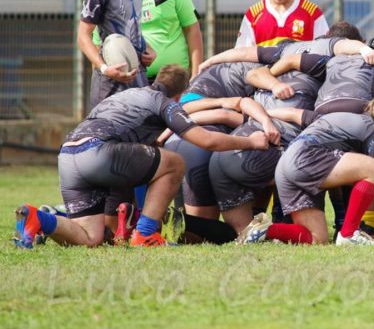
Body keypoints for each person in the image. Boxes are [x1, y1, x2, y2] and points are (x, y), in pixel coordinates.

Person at [13, 65, 270, 249]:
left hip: (68, 154)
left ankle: (39, 218)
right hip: (98, 152)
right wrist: (250, 141)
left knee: (90, 238)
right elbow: (208, 140)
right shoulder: (164, 102)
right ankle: (145, 234)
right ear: (180, 95)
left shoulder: (124, 96)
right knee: (174, 162)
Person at [238, 94, 374, 245]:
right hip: (304, 159)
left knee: (317, 238)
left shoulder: (341, 118)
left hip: (284, 166)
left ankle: (265, 230)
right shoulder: (372, 128)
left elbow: (293, 113)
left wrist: (263, 115)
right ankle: (349, 234)